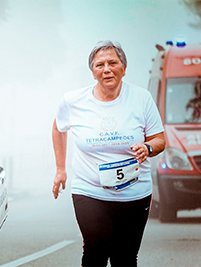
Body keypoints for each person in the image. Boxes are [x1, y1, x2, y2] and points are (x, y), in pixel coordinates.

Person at [52, 40, 166, 267]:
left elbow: (160, 140)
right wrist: (60, 169)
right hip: (89, 189)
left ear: (124, 67)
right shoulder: (73, 101)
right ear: (93, 72)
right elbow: (58, 128)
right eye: (99, 65)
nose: (106, 69)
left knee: (125, 258)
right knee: (96, 248)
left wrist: (148, 148)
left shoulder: (141, 98)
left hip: (135, 192)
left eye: (112, 63)